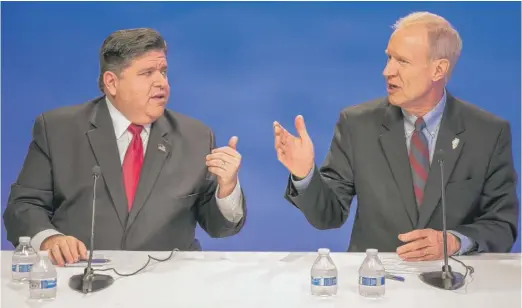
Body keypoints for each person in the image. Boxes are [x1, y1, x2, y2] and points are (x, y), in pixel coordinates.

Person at [274, 12, 519, 260]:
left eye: (402, 61)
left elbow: (501, 225)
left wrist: (455, 241)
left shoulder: (487, 133)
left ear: (438, 69)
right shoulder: (357, 125)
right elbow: (328, 215)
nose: (387, 71)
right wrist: (305, 175)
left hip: (455, 284)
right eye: (389, 58)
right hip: (376, 285)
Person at [4, 28, 247, 266]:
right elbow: (23, 206)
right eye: (147, 73)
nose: (161, 82)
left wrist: (227, 188)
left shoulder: (195, 136)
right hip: (80, 279)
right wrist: (50, 239)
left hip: (167, 284)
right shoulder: (58, 129)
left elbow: (219, 228)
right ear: (111, 82)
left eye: (163, 72)